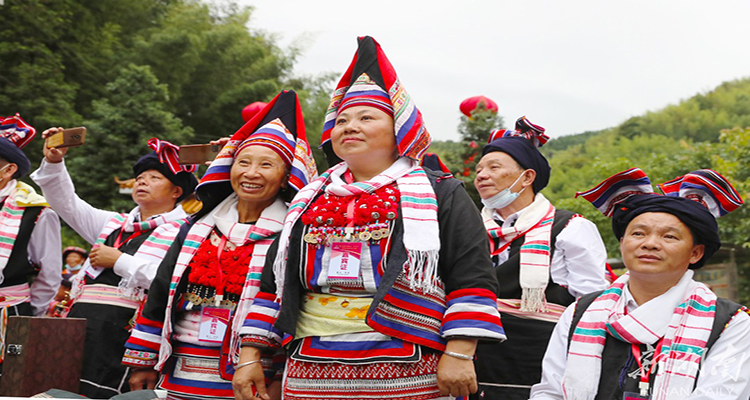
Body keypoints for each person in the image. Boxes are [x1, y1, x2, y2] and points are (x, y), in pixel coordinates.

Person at [234, 36, 506, 400]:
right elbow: (275, 283)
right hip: (311, 365)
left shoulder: (440, 192)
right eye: (342, 120)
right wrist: (250, 356)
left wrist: (459, 352)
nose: (350, 126)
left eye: (366, 117)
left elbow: (472, 274)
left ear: (400, 130)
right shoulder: (308, 199)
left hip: (409, 364)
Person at [123, 90, 316, 400]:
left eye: (266, 165)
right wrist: (143, 361)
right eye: (243, 162)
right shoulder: (198, 227)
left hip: (256, 371)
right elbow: (161, 289)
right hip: (182, 366)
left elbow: (294, 304)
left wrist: (281, 376)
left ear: (286, 178)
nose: (251, 173)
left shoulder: (293, 235)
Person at [530, 168, 750, 400]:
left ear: (695, 253)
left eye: (669, 236)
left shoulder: (730, 324)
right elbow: (550, 392)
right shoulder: (580, 313)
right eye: (638, 234)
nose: (650, 243)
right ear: (622, 243)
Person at [30, 134, 199, 398]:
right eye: (140, 177)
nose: (142, 181)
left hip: (130, 333)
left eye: (154, 177)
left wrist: (119, 261)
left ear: (176, 191)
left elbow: (175, 281)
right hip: (81, 325)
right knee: (65, 391)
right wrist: (54, 161)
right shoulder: (112, 223)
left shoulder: (185, 232)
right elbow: (67, 204)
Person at [471, 117, 608, 399]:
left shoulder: (570, 228)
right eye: (479, 169)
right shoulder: (470, 229)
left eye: (494, 167)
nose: (481, 175)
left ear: (527, 177)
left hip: (543, 362)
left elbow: (591, 304)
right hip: (477, 361)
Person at [0, 114, 61, 317]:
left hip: (9, 311)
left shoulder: (36, 211)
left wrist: (29, 317)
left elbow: (49, 275)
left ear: (8, 170)